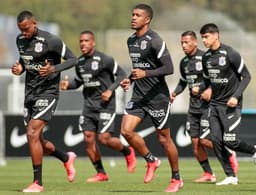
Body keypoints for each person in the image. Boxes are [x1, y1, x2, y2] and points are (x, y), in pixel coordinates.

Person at [11, 11, 78, 192]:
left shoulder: (51, 41)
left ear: (34, 23)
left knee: (32, 132)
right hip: (30, 94)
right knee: (37, 139)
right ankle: (66, 158)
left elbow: (73, 59)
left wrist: (54, 69)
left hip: (48, 93)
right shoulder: (20, 40)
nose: (24, 33)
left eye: (26, 29)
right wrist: (19, 68)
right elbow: (25, 61)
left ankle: (37, 183)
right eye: (21, 30)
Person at [120, 4, 183, 193]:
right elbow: (138, 67)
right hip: (139, 96)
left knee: (164, 140)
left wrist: (145, 73)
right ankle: (151, 160)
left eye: (138, 15)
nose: (133, 17)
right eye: (132, 14)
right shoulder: (130, 40)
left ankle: (176, 179)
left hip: (158, 97)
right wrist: (129, 79)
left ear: (147, 20)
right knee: (126, 131)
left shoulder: (155, 40)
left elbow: (169, 68)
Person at [60, 30, 136, 183]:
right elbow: (80, 82)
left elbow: (121, 74)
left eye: (86, 41)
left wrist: (110, 90)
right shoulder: (80, 62)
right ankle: (101, 173)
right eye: (81, 41)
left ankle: (128, 151)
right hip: (88, 106)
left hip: (105, 105)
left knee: (104, 138)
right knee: (88, 139)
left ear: (93, 42)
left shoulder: (104, 59)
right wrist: (68, 85)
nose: (83, 44)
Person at [170, 31, 238, 183]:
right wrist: (174, 93)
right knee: (195, 143)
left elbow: (217, 79)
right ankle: (208, 174)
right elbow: (183, 82)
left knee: (205, 140)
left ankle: (228, 153)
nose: (183, 45)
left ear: (195, 42)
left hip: (207, 107)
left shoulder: (206, 58)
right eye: (182, 43)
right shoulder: (184, 62)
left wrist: (206, 89)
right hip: (193, 108)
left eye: (186, 42)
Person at [199, 23, 256, 185]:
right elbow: (207, 79)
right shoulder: (206, 57)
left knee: (230, 141)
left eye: (206, 36)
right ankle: (231, 176)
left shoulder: (230, 53)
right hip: (214, 105)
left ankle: (254, 150)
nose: (204, 40)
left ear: (216, 35)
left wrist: (236, 96)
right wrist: (205, 88)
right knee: (216, 140)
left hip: (231, 105)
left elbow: (247, 76)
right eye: (202, 37)